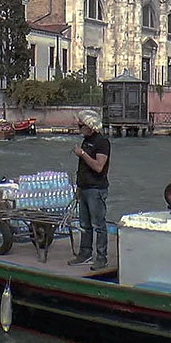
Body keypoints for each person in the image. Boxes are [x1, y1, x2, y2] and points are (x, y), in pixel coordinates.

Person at [68, 110, 111, 271]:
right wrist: (78, 188)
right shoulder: (86, 140)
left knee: (98, 224)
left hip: (96, 189)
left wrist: (83, 154)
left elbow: (99, 167)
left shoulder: (102, 142)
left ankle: (101, 257)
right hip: (84, 188)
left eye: (81, 126)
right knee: (84, 224)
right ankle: (85, 253)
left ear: (90, 126)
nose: (79, 129)